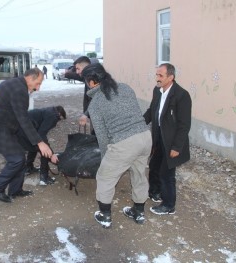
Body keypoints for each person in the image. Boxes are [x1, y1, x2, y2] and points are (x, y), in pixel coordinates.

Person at [81, 63, 151, 228]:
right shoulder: (125, 88)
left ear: (91, 82)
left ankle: (105, 216)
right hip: (145, 136)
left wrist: (106, 156)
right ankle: (138, 212)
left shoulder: (95, 103)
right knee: (139, 174)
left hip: (124, 142)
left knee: (105, 177)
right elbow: (134, 112)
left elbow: (102, 135)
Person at [0, 68, 53, 203]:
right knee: (16, 159)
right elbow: (23, 118)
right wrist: (40, 142)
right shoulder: (19, 90)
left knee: (20, 157)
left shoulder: (14, 84)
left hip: (4, 126)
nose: (38, 88)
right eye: (38, 83)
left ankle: (15, 190)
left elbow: (20, 118)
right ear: (30, 78)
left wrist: (34, 140)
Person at [143, 63, 192, 215]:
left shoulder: (181, 95)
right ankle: (155, 192)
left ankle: (169, 205)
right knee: (154, 166)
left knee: (167, 174)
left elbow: (184, 125)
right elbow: (152, 111)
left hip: (171, 143)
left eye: (161, 76)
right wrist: (138, 124)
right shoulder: (157, 91)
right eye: (156, 75)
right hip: (158, 139)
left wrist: (177, 147)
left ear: (171, 77)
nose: (157, 78)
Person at [19, 106, 67, 185]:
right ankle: (44, 177)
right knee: (45, 150)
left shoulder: (48, 111)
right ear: (59, 114)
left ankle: (28, 168)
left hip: (22, 130)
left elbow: (38, 132)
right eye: (60, 119)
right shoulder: (54, 116)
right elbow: (41, 134)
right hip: (26, 131)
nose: (58, 121)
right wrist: (51, 154)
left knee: (34, 146)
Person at [64, 56, 95, 134]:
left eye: (78, 69)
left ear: (86, 67)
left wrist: (85, 114)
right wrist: (74, 67)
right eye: (76, 69)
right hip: (92, 113)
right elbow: (67, 74)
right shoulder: (85, 77)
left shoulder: (95, 79)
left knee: (98, 136)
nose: (77, 72)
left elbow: (95, 100)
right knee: (94, 135)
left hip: (98, 114)